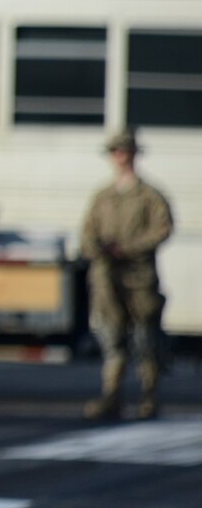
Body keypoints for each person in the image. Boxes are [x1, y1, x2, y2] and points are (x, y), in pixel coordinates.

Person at [80, 130, 174, 421]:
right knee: (112, 338)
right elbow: (87, 233)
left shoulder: (149, 195)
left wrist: (130, 248)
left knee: (145, 338)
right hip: (108, 278)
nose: (119, 158)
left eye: (123, 151)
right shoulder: (103, 196)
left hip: (139, 277)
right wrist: (97, 250)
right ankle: (112, 395)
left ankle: (149, 396)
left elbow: (162, 228)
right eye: (114, 152)